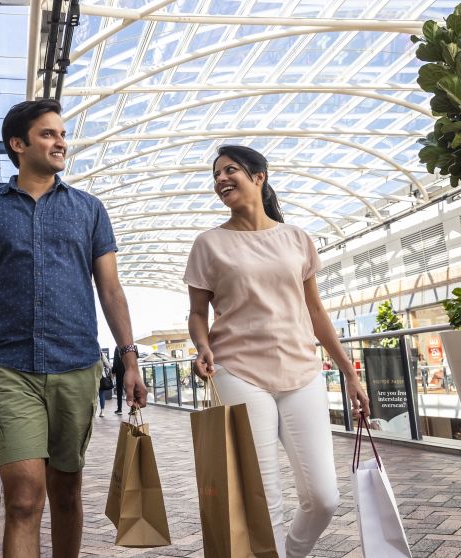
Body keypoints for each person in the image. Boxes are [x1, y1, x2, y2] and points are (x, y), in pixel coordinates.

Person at [0, 99, 148, 558]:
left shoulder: (89, 210)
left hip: (76, 365)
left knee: (67, 495)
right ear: (18, 144)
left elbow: (111, 292)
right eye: (48, 134)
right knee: (24, 498)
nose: (61, 142)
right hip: (10, 368)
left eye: (62, 134)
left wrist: (129, 359)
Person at [185, 145, 370, 558]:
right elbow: (197, 313)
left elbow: (316, 311)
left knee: (324, 497)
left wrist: (349, 373)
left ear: (258, 177)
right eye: (215, 175)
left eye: (229, 170)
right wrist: (201, 345)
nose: (220, 180)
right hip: (238, 371)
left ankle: (291, 553)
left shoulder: (296, 239)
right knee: (263, 498)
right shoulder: (209, 244)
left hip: (303, 372)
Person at [97, 352, 113, 417]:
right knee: (101, 394)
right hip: (101, 376)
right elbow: (108, 365)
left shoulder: (87, 351)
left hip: (90, 377)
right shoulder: (100, 353)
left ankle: (93, 411)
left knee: (92, 395)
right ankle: (102, 411)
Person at [111, 345, 126, 415]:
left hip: (119, 372)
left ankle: (119, 409)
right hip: (127, 371)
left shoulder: (117, 347)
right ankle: (133, 409)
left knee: (119, 391)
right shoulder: (129, 346)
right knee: (129, 390)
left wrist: (113, 371)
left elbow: (115, 361)